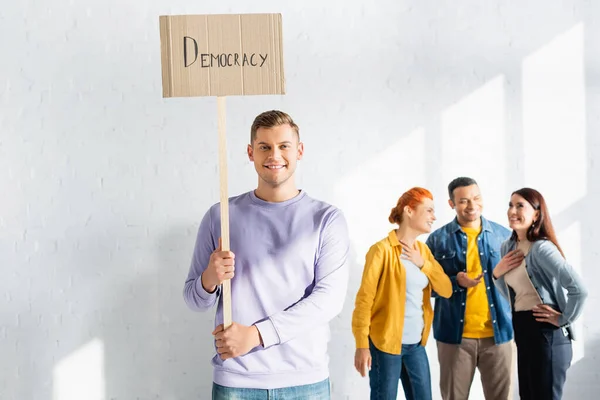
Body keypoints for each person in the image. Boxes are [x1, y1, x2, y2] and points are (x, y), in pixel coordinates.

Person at [183, 110, 350, 400]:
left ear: (299, 151)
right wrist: (210, 277)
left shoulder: (326, 219)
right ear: (251, 152)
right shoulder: (220, 215)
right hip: (237, 381)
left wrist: (256, 335)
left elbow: (328, 300)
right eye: (264, 147)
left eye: (284, 146)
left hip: (305, 382)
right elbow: (194, 299)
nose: (275, 155)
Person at [352, 187, 452, 400]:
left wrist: (423, 264)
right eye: (429, 211)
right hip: (385, 345)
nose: (434, 217)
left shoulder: (423, 252)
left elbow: (446, 289)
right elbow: (364, 300)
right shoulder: (381, 250)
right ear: (409, 211)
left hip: (416, 345)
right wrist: (362, 345)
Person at [493, 187, 588, 400]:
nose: (512, 210)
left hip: (547, 336)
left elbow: (579, 290)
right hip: (523, 333)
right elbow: (512, 296)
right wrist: (496, 274)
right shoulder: (507, 247)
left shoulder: (541, 248)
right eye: (510, 205)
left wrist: (563, 319)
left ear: (536, 214)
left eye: (520, 206)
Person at [426, 177, 515, 400]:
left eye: (476, 198)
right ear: (451, 204)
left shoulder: (504, 236)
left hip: (499, 336)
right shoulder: (438, 240)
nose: (472, 206)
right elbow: (425, 287)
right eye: (464, 201)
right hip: (454, 338)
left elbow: (519, 283)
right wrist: (455, 282)